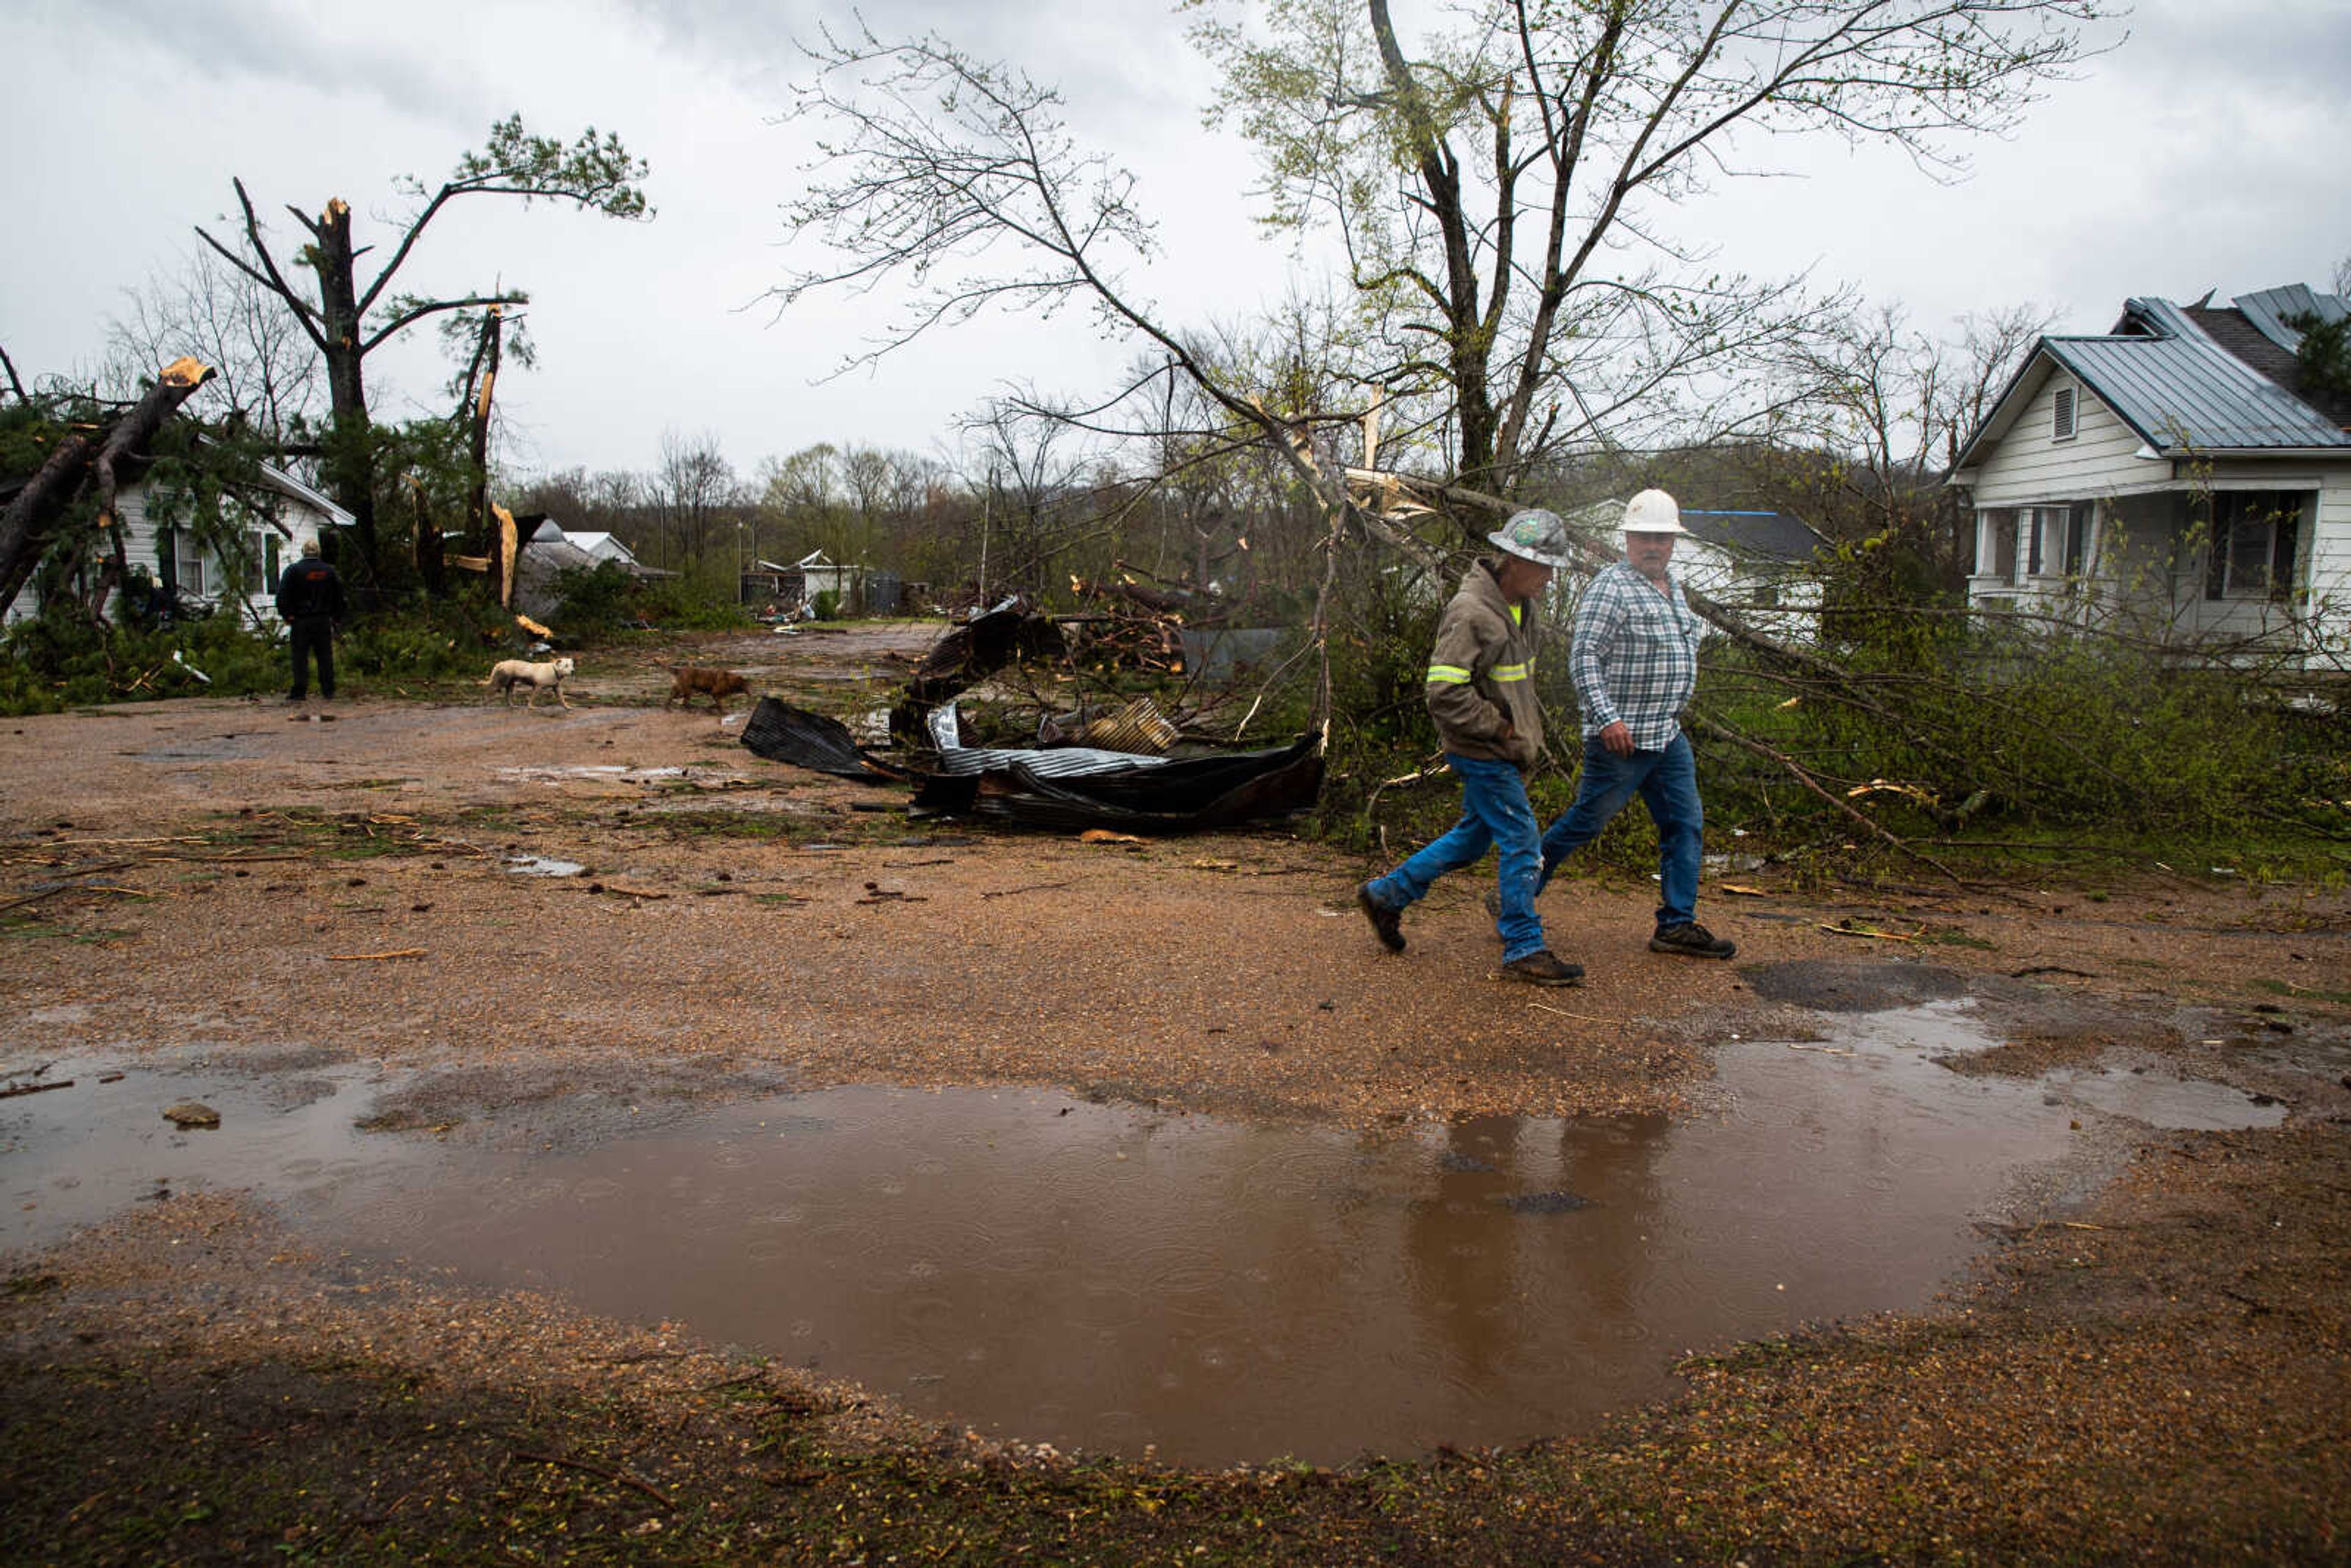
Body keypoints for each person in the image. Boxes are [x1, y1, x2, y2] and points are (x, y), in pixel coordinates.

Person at [1357, 509, 1586, 986]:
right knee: (1523, 841)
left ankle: (1386, 895)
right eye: (1543, 567)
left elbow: (1514, 686)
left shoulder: (1522, 608)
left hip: (1504, 750)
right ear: (1513, 560)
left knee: (1472, 839)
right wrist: (1500, 729)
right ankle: (1524, 945)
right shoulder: (1470, 612)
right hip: (1481, 751)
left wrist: (1522, 735)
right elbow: (1444, 692)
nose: (1549, 577)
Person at [1534, 489, 1735, 959]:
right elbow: (1583, 657)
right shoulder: (1611, 586)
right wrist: (1608, 718)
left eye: (1662, 538)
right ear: (1627, 538)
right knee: (1584, 822)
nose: (1653, 545)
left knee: (1685, 824)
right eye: (1644, 536)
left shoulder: (1674, 586)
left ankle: (1676, 924)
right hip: (1621, 740)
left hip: (1666, 734)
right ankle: (1514, 895)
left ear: (1673, 542)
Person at [274, 537, 345, 702]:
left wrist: (287, 615)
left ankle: (299, 691)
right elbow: (339, 596)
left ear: (303, 552)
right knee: (325, 656)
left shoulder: (293, 571)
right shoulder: (329, 571)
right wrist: (336, 617)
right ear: (319, 552)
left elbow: (282, 596)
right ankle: (328, 691)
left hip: (300, 621)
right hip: (322, 620)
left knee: (300, 657)